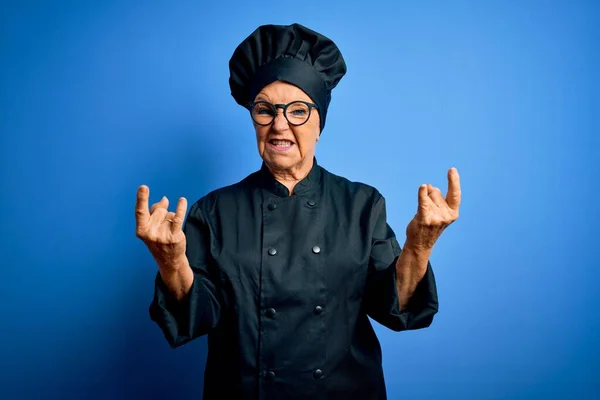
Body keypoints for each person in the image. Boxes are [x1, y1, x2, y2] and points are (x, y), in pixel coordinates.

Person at [135, 23, 461, 400]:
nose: (279, 124)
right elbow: (198, 317)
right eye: (265, 110)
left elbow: (392, 307)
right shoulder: (213, 211)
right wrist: (171, 262)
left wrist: (419, 246)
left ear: (319, 122)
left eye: (298, 110)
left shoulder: (362, 205)